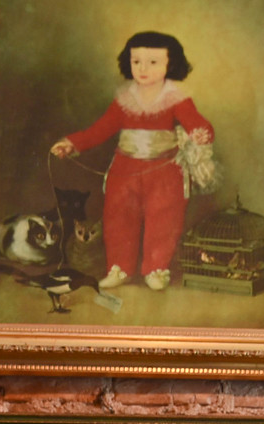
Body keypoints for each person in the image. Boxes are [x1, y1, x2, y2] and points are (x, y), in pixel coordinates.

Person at [51, 32, 215, 292]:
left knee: (164, 219)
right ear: (128, 63)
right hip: (124, 169)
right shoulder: (124, 99)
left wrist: (200, 133)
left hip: (164, 169)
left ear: (170, 65)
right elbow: (100, 129)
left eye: (153, 62)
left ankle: (156, 269)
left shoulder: (177, 98)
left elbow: (198, 123)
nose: (143, 69)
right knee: (118, 217)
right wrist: (72, 143)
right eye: (136, 61)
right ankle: (120, 268)